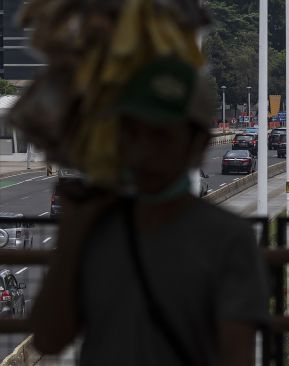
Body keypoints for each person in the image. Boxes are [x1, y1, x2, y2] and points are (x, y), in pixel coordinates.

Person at [31, 57, 268, 366]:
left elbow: (236, 355)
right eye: (133, 131)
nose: (145, 148)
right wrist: (72, 235)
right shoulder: (94, 231)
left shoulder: (229, 241)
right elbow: (49, 338)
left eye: (162, 135)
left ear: (198, 145)